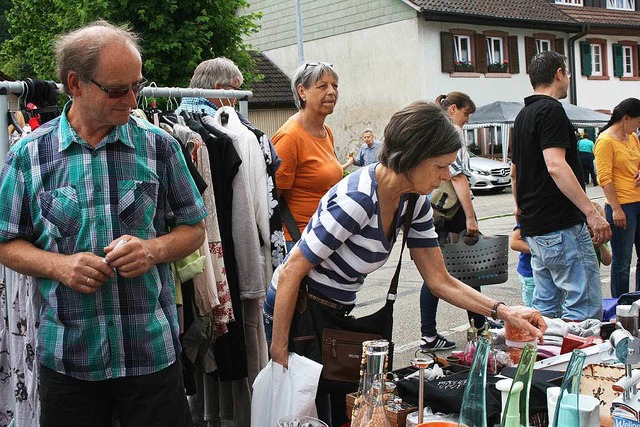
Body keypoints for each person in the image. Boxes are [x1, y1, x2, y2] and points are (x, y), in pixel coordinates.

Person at [264, 101, 547, 423]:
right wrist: (279, 356)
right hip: (296, 310)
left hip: (332, 312)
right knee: (304, 411)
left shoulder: (414, 201)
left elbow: (439, 280)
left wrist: (503, 311)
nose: (445, 177)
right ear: (411, 157)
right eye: (440, 167)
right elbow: (290, 272)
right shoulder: (358, 200)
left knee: (332, 408)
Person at [0, 21, 208, 426]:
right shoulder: (29, 156)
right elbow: (5, 241)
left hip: (150, 357)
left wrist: (152, 250)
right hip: (69, 361)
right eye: (118, 90)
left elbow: (195, 227)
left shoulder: (159, 146)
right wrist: (59, 265)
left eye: (138, 86)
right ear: (75, 84)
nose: (132, 99)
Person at [511, 50, 611, 321]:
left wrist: (520, 209)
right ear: (558, 74)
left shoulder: (523, 115)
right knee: (583, 307)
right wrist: (591, 212)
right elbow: (555, 165)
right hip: (561, 224)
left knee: (546, 310)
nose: (566, 79)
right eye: (566, 73)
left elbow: (516, 171)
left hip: (536, 226)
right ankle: (578, 363)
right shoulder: (551, 110)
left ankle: (546, 361)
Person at [419, 91, 484, 351]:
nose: (466, 120)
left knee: (462, 268)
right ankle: (430, 334)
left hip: (437, 212)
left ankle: (478, 323)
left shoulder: (435, 130)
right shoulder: (451, 133)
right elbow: (458, 178)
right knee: (450, 270)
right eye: (466, 114)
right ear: (454, 108)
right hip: (451, 212)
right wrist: (471, 217)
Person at [273, 61, 343, 251]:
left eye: (334, 85)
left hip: (325, 235)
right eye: (322, 86)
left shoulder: (326, 131)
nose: (331, 92)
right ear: (302, 92)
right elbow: (271, 197)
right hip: (299, 241)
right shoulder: (290, 137)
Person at [593, 97, 640, 297]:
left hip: (638, 201)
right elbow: (604, 178)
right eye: (638, 121)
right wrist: (617, 209)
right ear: (626, 118)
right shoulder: (605, 140)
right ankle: (621, 305)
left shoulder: (633, 138)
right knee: (622, 261)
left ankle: (637, 300)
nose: (639, 126)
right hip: (622, 206)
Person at [510, 224, 535, 308]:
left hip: (555, 272)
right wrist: (543, 250)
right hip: (530, 273)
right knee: (533, 309)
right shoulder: (532, 216)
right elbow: (514, 243)